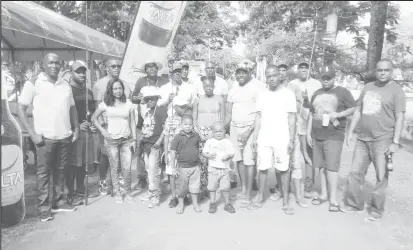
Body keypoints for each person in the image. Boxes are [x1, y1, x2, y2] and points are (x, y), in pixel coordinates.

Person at [17, 53, 80, 222]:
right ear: (44, 64)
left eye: (57, 63)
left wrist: (76, 128)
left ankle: (58, 201)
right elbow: (20, 109)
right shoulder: (33, 83)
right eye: (51, 62)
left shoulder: (65, 84)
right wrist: (32, 134)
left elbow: (72, 108)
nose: (54, 65)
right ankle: (44, 208)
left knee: (61, 171)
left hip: (65, 136)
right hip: (44, 138)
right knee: (44, 174)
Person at [343, 59, 406, 221]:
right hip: (362, 139)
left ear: (391, 71)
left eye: (386, 70)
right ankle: (355, 204)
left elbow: (400, 117)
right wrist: (350, 132)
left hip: (383, 140)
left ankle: (376, 210)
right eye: (380, 70)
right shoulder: (368, 87)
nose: (383, 73)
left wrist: (395, 142)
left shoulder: (396, 91)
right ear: (375, 71)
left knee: (381, 176)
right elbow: (358, 110)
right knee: (355, 173)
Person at [306, 65, 356, 212]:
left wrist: (338, 115)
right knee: (320, 166)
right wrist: (309, 132)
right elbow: (311, 113)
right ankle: (323, 194)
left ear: (334, 77)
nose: (326, 80)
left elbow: (354, 108)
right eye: (324, 78)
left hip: (334, 135)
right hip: (317, 135)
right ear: (320, 78)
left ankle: (333, 200)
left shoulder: (343, 92)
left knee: (332, 167)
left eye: (329, 78)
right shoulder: (316, 93)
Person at [251, 65, 297, 215]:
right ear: (266, 77)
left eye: (274, 75)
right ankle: (259, 197)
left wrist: (291, 140)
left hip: (282, 137)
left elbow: (292, 118)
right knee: (262, 168)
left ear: (280, 76)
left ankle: (285, 202)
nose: (271, 78)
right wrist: (255, 137)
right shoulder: (262, 94)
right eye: (268, 76)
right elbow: (258, 117)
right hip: (264, 136)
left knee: (283, 169)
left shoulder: (288, 94)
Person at [225, 62, 266, 207]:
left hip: (251, 129)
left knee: (249, 161)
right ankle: (243, 189)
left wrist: (249, 132)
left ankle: (248, 194)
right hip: (235, 129)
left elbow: (260, 114)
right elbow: (229, 113)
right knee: (239, 160)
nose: (240, 75)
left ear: (249, 73)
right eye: (238, 72)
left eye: (244, 72)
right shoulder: (232, 90)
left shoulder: (258, 88)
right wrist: (221, 128)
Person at [91, 78, 137, 204]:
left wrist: (134, 139)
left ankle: (127, 192)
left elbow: (132, 122)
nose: (118, 91)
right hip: (111, 140)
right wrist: (102, 130)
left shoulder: (128, 103)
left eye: (120, 88)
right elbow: (94, 118)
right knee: (114, 167)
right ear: (111, 90)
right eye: (115, 88)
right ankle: (117, 192)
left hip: (127, 140)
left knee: (126, 168)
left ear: (123, 89)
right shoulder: (105, 103)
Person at [62, 61, 99, 206]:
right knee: (73, 163)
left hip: (87, 132)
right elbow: (65, 113)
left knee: (83, 163)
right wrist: (76, 125)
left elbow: (91, 111)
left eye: (84, 71)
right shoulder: (67, 90)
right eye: (78, 71)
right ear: (71, 73)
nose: (82, 74)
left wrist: (92, 123)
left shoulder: (88, 91)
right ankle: (70, 193)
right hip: (74, 132)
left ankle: (80, 190)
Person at [159, 62, 195, 208]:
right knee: (171, 162)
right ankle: (174, 196)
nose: (177, 73)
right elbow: (160, 104)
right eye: (175, 71)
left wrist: (184, 110)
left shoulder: (190, 87)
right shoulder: (164, 88)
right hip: (171, 123)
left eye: (180, 71)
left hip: (185, 123)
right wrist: (168, 99)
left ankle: (184, 194)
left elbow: (193, 105)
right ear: (170, 74)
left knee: (185, 162)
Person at [92, 59, 128, 195]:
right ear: (107, 68)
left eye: (119, 66)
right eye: (113, 66)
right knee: (105, 154)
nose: (116, 68)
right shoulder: (99, 84)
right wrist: (102, 126)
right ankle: (103, 181)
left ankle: (116, 181)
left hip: (121, 125)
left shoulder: (124, 84)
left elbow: (126, 103)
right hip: (106, 125)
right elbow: (97, 105)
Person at [287, 61, 322, 198]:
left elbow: (318, 105)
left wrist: (307, 101)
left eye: (305, 67)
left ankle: (308, 185)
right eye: (300, 67)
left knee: (308, 155)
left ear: (309, 69)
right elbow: (289, 103)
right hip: (294, 124)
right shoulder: (292, 84)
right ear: (297, 70)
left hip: (310, 125)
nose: (303, 70)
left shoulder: (316, 84)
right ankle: (287, 184)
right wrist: (299, 100)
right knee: (290, 155)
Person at [131, 61, 168, 190]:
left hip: (159, 119)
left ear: (157, 69)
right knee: (141, 150)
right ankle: (142, 178)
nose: (152, 70)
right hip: (144, 121)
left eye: (154, 68)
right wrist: (137, 97)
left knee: (159, 149)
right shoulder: (141, 81)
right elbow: (133, 97)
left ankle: (159, 178)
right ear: (145, 70)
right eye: (149, 68)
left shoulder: (164, 81)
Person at [192, 76, 226, 198]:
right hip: (200, 132)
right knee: (202, 161)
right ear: (203, 87)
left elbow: (222, 119)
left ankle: (214, 187)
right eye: (206, 86)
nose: (208, 88)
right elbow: (194, 119)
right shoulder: (198, 99)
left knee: (214, 160)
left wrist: (215, 134)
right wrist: (199, 133)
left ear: (214, 86)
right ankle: (202, 187)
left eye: (210, 86)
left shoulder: (220, 99)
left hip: (215, 133)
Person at [138, 86, 168, 208]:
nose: (149, 101)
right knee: (148, 169)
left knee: (153, 170)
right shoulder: (147, 111)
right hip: (146, 143)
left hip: (155, 145)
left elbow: (166, 128)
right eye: (147, 99)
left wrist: (159, 141)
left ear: (157, 99)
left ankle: (155, 196)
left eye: (151, 99)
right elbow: (145, 128)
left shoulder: (161, 111)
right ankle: (151, 191)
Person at [170, 115, 202, 214]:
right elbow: (173, 152)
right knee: (182, 187)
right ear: (181, 125)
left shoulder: (196, 136)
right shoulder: (178, 137)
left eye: (190, 125)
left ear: (193, 125)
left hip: (195, 166)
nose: (188, 126)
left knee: (195, 186)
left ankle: (195, 204)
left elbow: (203, 140)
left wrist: (197, 130)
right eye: (185, 124)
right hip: (182, 167)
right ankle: (181, 204)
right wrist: (173, 167)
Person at [203, 121, 236, 213]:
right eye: (216, 131)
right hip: (213, 169)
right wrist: (208, 156)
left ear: (225, 131)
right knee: (212, 187)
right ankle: (212, 203)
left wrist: (228, 156)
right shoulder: (209, 142)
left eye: (221, 131)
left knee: (226, 187)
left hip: (225, 169)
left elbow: (232, 153)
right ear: (212, 132)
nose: (218, 133)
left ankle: (227, 203)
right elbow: (204, 153)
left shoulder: (227, 142)